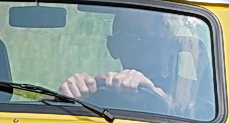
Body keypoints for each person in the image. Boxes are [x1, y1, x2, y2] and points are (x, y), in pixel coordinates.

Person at [59, 9, 193, 115]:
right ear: (113, 46)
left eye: (156, 35)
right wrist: (67, 97)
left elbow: (196, 117)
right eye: (132, 36)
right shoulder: (96, 91)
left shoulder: (193, 91)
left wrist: (155, 93)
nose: (146, 43)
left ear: (171, 45)